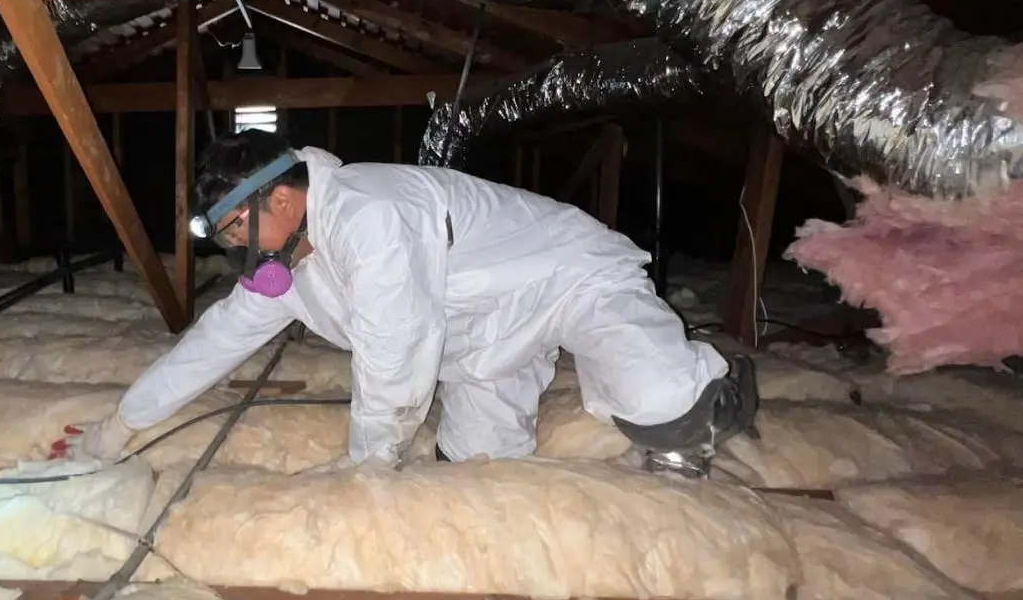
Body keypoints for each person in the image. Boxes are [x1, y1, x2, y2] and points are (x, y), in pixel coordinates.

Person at [56, 130, 756, 477]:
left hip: (565, 280)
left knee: (664, 408)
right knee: (480, 475)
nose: (235, 245)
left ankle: (718, 388)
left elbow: (395, 350)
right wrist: (116, 428)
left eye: (237, 226)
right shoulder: (288, 262)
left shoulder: (367, 212)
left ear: (280, 196)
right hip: (480, 343)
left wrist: (367, 468)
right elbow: (212, 342)